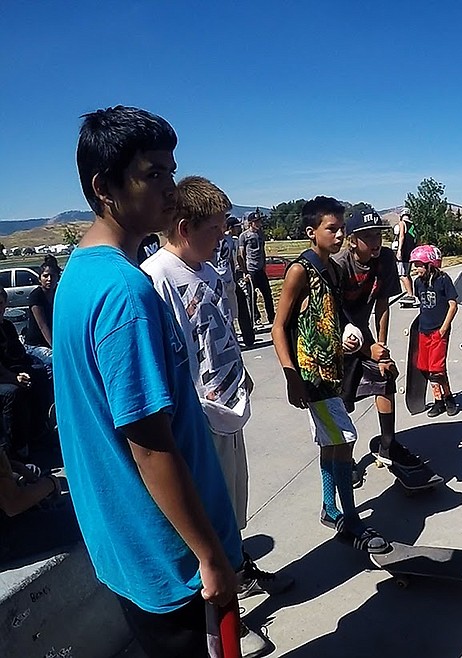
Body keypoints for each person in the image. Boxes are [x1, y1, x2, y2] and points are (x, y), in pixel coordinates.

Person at [59, 105, 249, 657]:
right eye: (152, 174)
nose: (171, 188)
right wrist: (211, 557)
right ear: (105, 188)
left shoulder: (80, 272)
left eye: (171, 170)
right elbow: (149, 445)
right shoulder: (127, 293)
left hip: (126, 546)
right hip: (173, 558)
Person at [141, 176, 292, 613]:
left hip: (227, 404)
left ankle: (238, 568)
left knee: (230, 503)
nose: (224, 236)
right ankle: (221, 607)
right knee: (205, 511)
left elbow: (218, 331)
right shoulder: (156, 278)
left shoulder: (207, 269)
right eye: (216, 228)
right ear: (185, 228)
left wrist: (239, 372)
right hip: (197, 417)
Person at [271, 196, 388, 554]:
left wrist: (360, 345)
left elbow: (332, 319)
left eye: (341, 229)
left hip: (331, 370)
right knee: (345, 440)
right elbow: (279, 326)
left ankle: (328, 506)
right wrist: (291, 376)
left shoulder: (331, 270)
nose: (339, 235)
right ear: (312, 232)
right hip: (311, 376)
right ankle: (350, 519)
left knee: (331, 442)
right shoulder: (299, 270)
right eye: (331, 229)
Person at [334, 206, 438, 485]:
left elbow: (382, 304)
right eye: (367, 236)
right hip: (337, 337)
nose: (375, 241)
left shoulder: (386, 260)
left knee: (385, 377)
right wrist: (366, 349)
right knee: (341, 402)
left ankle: (387, 444)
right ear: (353, 240)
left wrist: (381, 347)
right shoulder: (340, 265)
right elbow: (333, 315)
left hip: (363, 333)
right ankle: (346, 459)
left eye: (378, 234)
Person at [0, 288, 52, 459]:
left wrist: (25, 368)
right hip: (3, 377)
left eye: (1, 303)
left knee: (40, 373)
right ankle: (16, 448)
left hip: (11, 371)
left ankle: (41, 429)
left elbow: (18, 353)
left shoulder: (6, 326)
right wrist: (15, 378)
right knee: (13, 393)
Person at [410, 244, 459, 417]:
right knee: (426, 367)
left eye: (418, 265)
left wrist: (444, 328)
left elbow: (453, 305)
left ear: (430, 264)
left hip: (439, 330)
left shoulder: (443, 280)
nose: (415, 269)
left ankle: (449, 398)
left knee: (437, 368)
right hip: (424, 330)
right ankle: (438, 401)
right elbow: (422, 305)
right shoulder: (418, 283)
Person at [213, 215, 254, 348]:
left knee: (235, 308)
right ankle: (231, 339)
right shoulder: (216, 238)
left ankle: (246, 337)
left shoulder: (232, 240)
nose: (238, 229)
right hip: (219, 278)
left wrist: (241, 272)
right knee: (224, 310)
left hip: (228, 278)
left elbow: (234, 259)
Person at [240, 212, 275, 327]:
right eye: (256, 222)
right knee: (252, 296)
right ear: (251, 223)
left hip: (260, 269)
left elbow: (263, 250)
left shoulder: (260, 234)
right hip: (251, 269)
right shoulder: (244, 236)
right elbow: (242, 253)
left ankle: (271, 316)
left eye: (259, 221)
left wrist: (264, 265)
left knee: (267, 294)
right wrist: (244, 271)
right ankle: (256, 318)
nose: (259, 223)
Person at [24, 263, 57, 376]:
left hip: (54, 342)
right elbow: (43, 326)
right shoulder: (36, 295)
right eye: (46, 276)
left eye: (53, 276)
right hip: (35, 345)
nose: (49, 279)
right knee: (55, 359)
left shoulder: (58, 293)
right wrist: (55, 347)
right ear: (39, 278)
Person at [394, 208, 417, 305]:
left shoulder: (402, 223)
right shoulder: (413, 225)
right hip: (411, 252)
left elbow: (401, 236)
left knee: (402, 275)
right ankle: (411, 293)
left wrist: (399, 250)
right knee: (407, 274)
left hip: (404, 252)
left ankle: (410, 295)